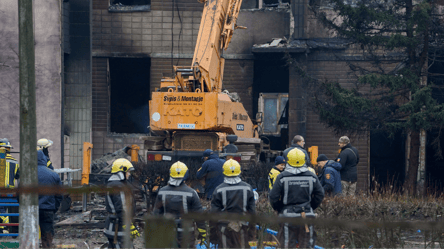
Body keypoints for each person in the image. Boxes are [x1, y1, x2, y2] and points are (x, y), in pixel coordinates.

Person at [269, 148, 324, 249]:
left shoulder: (282, 177)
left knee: (286, 245)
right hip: (307, 216)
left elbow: (273, 197)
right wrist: (310, 207)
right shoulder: (311, 176)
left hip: (288, 216)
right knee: (307, 245)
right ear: (304, 160)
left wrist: (280, 209)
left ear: (288, 160)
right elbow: (320, 194)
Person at [152, 161, 206, 247]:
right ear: (186, 174)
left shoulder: (162, 191)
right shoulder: (191, 193)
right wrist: (203, 232)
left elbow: (156, 214)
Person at [211, 159, 256, 249]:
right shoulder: (247, 188)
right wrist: (252, 230)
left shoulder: (219, 189)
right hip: (242, 227)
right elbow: (252, 211)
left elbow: (214, 213)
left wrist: (213, 233)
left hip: (224, 228)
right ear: (239, 171)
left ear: (224, 172)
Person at [103, 158, 140, 249]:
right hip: (118, 228)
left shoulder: (114, 184)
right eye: (128, 171)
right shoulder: (118, 186)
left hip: (113, 226)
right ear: (121, 172)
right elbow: (122, 208)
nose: (129, 174)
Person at [37, 149, 63, 248]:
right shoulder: (53, 174)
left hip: (30, 210)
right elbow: (59, 195)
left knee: (29, 235)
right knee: (47, 236)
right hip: (47, 209)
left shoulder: (27, 174)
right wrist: (53, 208)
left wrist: (23, 206)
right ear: (44, 159)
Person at [0, 138, 20, 235]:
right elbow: (18, 176)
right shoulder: (15, 161)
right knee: (6, 209)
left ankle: (4, 227)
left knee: (2, 210)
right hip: (10, 192)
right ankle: (6, 228)